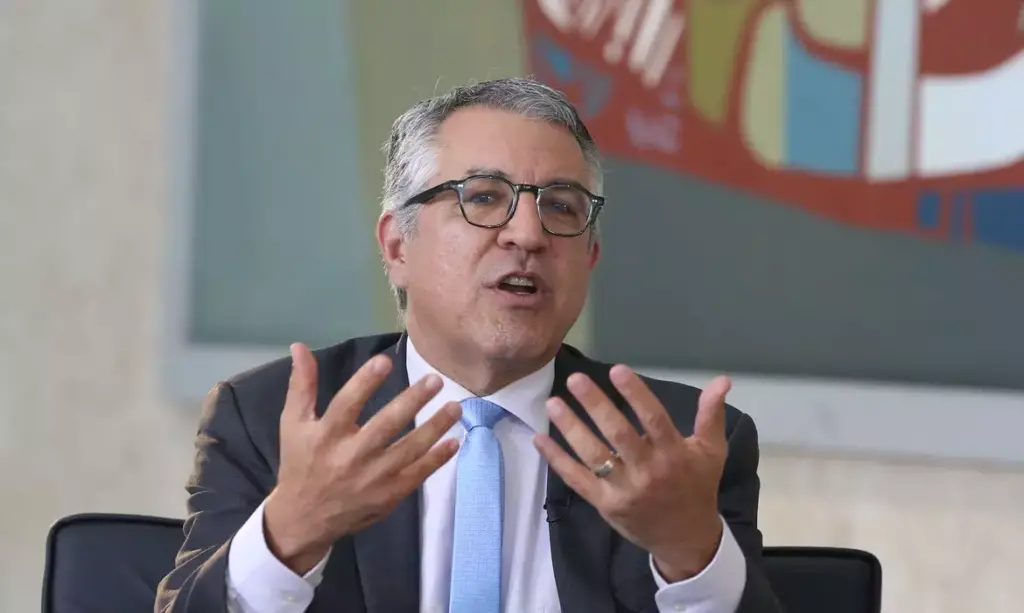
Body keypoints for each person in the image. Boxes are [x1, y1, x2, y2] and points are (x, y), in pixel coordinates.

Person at [155, 77, 783, 613]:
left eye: (562, 207)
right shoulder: (270, 419)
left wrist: (689, 551)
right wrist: (292, 530)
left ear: (590, 258)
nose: (528, 235)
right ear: (397, 246)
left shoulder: (679, 445)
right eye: (484, 197)